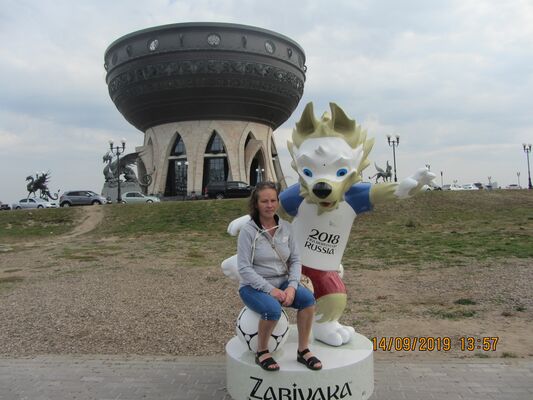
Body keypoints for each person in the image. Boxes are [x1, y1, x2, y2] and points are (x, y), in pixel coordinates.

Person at [237, 181, 322, 371]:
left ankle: (303, 350)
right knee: (272, 310)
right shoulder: (248, 231)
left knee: (308, 300)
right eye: (264, 201)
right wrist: (271, 290)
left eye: (273, 200)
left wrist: (292, 286)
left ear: (278, 201)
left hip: (283, 282)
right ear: (256, 204)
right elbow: (244, 268)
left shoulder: (286, 227)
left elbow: (296, 260)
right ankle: (262, 352)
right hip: (252, 286)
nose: (269, 205)